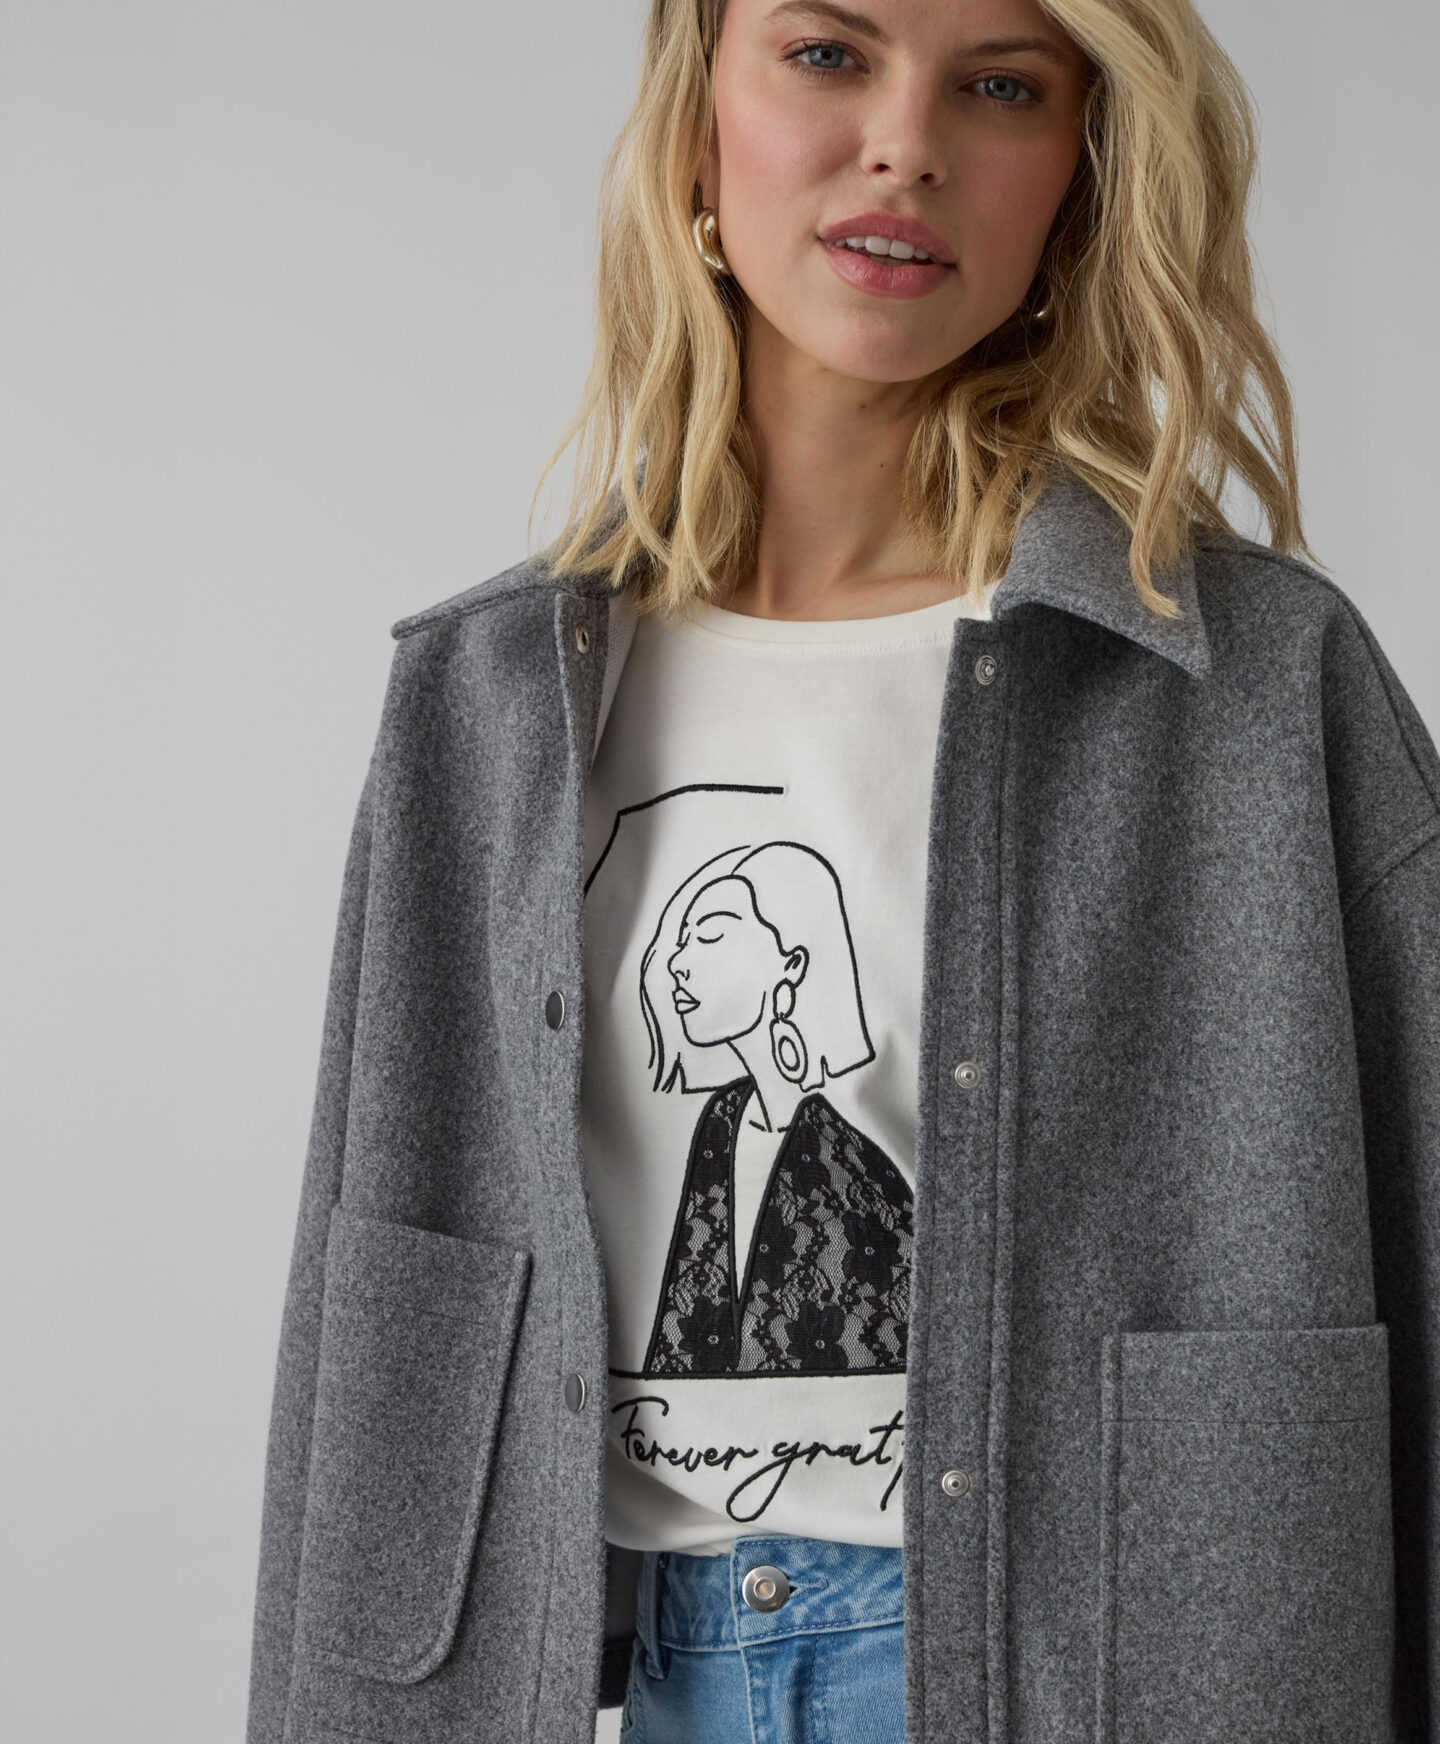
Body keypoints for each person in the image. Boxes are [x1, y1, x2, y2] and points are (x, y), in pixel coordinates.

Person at [246, 3, 1440, 1742]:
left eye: (1002, 85)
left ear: (1083, 172)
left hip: (1112, 1681)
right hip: (666, 1669)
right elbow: (379, 1303)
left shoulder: (1252, 685)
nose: (907, 143)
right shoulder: (487, 697)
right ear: (697, 122)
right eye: (827, 53)